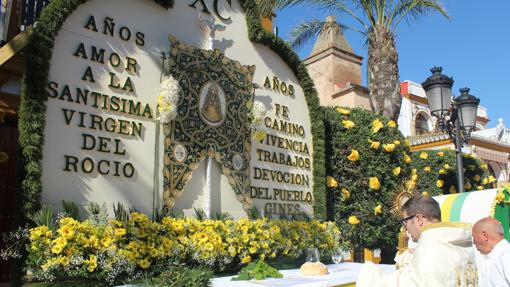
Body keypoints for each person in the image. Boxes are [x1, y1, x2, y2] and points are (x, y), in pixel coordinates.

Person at [357, 194, 478, 287]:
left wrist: (369, 272)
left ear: (419, 219)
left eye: (405, 221)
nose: (405, 227)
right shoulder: (461, 244)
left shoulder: (430, 248)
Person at [472, 217, 510, 287]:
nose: (474, 242)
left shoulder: (507, 256)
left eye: (474, 237)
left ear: (485, 235)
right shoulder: (490, 257)